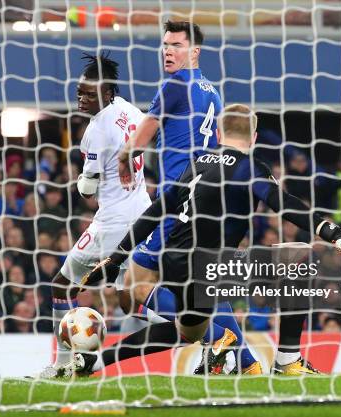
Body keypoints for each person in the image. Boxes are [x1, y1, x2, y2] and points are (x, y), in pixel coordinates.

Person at [66, 104, 341, 376]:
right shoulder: (249, 168)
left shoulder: (197, 164)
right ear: (253, 138)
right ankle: (288, 359)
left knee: (185, 332)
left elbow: (155, 212)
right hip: (212, 266)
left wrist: (116, 257)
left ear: (219, 133)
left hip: (175, 268)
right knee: (301, 256)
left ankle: (97, 362)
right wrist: (335, 233)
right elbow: (285, 204)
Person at [116, 20, 258, 375]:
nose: (168, 51)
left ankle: (215, 336)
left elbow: (140, 138)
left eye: (176, 45)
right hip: (206, 204)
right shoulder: (213, 92)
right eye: (165, 44)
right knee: (206, 290)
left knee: (132, 287)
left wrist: (121, 159)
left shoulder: (176, 84)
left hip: (175, 203)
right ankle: (249, 364)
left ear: (194, 51)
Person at [38, 52, 152, 379]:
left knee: (69, 286)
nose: (82, 99)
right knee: (134, 295)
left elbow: (87, 190)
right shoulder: (130, 109)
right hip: (143, 209)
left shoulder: (96, 131)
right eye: (80, 92)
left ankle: (200, 333)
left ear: (107, 93)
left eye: (90, 94)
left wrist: (80, 180)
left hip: (113, 221)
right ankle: (204, 333)